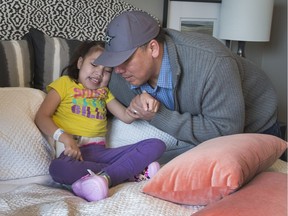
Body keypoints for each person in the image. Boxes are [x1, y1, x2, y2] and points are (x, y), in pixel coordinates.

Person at [93, 10, 281, 150]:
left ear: (152, 49)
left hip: (256, 126)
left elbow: (226, 133)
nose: (117, 70)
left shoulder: (212, 64)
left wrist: (158, 116)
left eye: (124, 60)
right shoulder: (117, 78)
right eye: (113, 61)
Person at [35, 41, 166, 202]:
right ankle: (128, 172)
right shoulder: (64, 83)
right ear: (80, 62)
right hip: (73, 153)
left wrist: (137, 104)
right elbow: (42, 117)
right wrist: (65, 138)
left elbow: (126, 116)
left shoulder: (104, 93)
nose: (99, 73)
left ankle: (106, 177)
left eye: (107, 71)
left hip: (100, 153)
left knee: (157, 144)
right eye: (95, 65)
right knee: (57, 169)